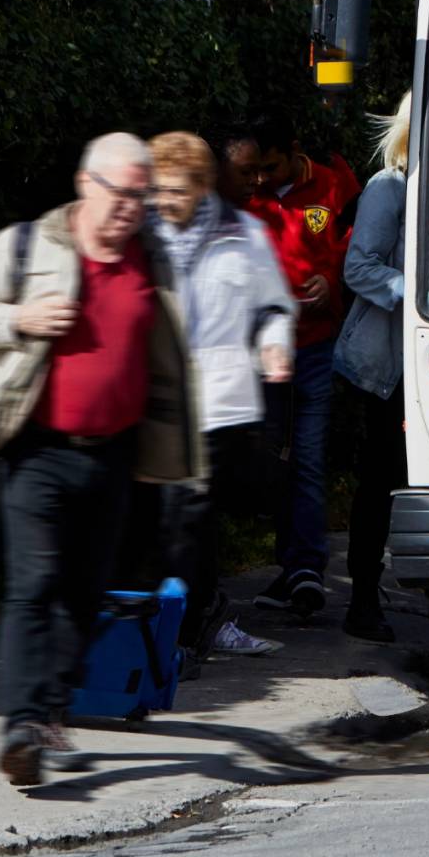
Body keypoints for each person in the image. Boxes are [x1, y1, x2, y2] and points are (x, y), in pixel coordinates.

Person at [0, 134, 199, 789]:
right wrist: (19, 318)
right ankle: (22, 727)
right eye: (121, 193)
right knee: (35, 583)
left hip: (115, 453)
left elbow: (168, 353)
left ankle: (51, 714)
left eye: (141, 195)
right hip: (36, 447)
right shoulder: (29, 245)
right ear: (86, 184)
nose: (131, 207)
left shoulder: (152, 257)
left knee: (85, 592)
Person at [147, 132, 294, 658]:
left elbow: (273, 307)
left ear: (203, 186)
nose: (166, 200)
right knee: (180, 522)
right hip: (157, 404)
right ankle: (191, 626)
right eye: (159, 188)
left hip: (219, 405)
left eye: (177, 190)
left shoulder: (244, 234)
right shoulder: (142, 236)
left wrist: (273, 345)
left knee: (191, 518)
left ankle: (188, 632)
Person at [225, 111, 359, 618]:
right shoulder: (242, 194)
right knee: (269, 461)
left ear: (295, 151)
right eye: (254, 169)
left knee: (307, 456)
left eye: (271, 167)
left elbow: (360, 246)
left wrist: (334, 279)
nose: (261, 178)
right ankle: (290, 563)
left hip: (316, 346)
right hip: (260, 353)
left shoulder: (335, 184)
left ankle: (306, 568)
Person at [335, 94, 411, 643]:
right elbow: (358, 266)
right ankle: (362, 598)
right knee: (381, 477)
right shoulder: (390, 187)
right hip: (388, 363)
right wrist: (418, 293)